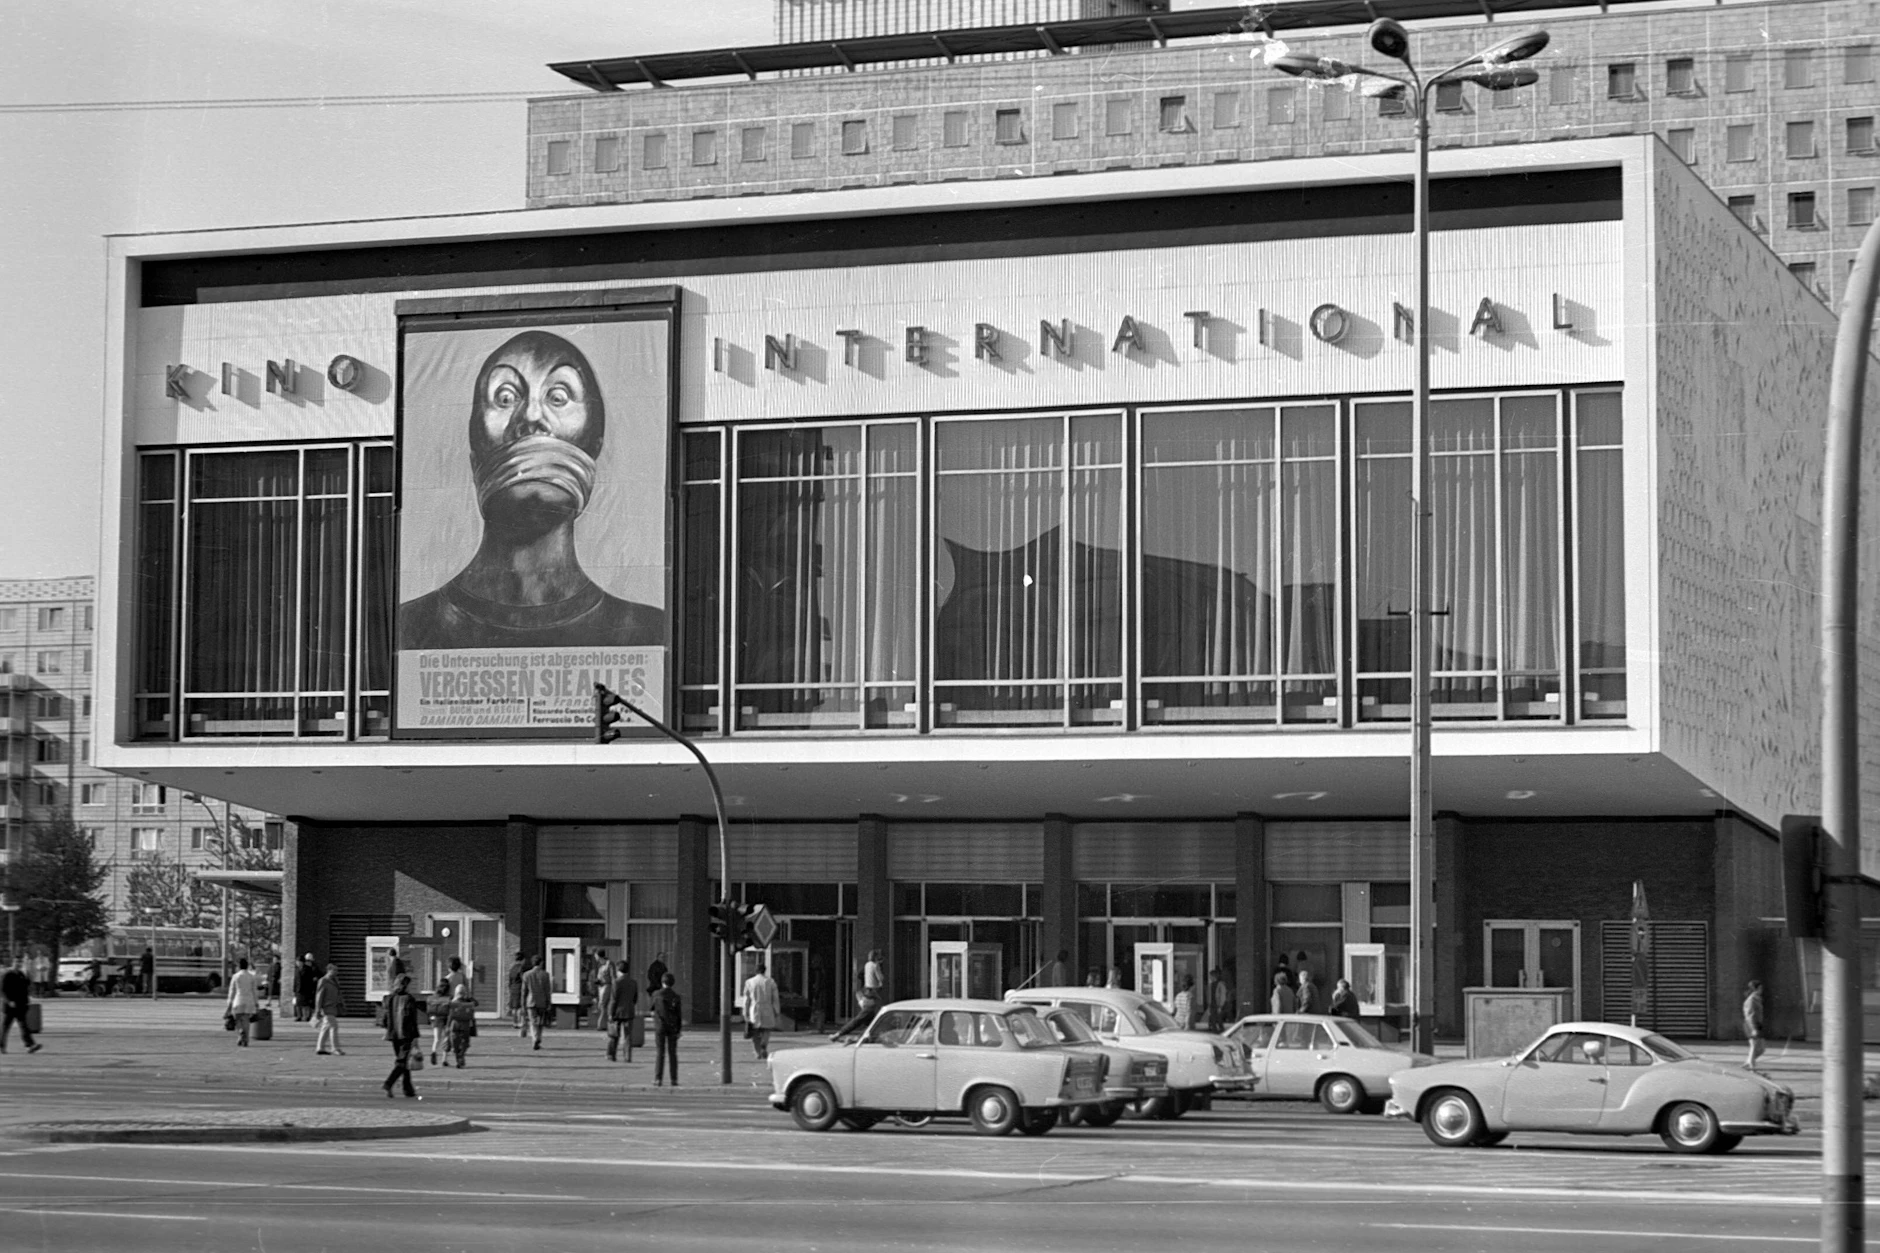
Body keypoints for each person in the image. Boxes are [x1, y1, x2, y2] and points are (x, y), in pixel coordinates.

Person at [397, 330, 665, 651]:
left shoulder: (644, 633)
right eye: (505, 398)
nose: (532, 418)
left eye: (558, 397)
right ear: (475, 456)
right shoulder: (411, 628)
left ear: (594, 447)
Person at [379, 973, 422, 1099]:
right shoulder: (409, 999)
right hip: (406, 1035)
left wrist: (388, 1029)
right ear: (405, 985)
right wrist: (415, 1037)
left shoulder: (390, 998)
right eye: (409, 985)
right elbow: (412, 1020)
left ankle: (408, 1089)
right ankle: (388, 1083)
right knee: (402, 1062)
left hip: (394, 1035)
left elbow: (385, 1019)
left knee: (404, 1061)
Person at [742, 959, 781, 1062]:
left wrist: (745, 1011)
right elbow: (775, 998)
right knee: (766, 1030)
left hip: (754, 1008)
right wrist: (777, 1010)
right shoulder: (770, 981)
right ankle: (764, 1044)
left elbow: (746, 998)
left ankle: (758, 1051)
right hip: (767, 1008)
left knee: (755, 1031)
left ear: (756, 971)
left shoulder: (749, 982)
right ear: (764, 971)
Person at [2, 955, 42, 1053]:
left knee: (24, 1025)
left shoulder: (21, 974)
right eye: (16, 962)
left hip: (21, 1004)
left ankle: (30, 1045)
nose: (18, 964)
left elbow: (28, 985)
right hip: (10, 1005)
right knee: (5, 1026)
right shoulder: (8, 974)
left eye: (20, 963)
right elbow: (2, 990)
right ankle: (2, 1046)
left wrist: (28, 970)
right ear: (13, 963)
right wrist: (9, 1001)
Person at [651, 972, 683, 1087]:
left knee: (660, 1052)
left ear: (662, 982)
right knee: (673, 1053)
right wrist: (679, 1029)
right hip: (672, 1026)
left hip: (660, 1026)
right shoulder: (676, 996)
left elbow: (652, 1008)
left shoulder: (656, 994)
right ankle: (674, 1079)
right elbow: (679, 1015)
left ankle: (658, 1078)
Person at [607, 959, 640, 1063]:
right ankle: (627, 1056)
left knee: (614, 1034)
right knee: (628, 1036)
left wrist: (610, 1013)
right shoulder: (633, 982)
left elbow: (613, 999)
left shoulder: (616, 982)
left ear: (618, 970)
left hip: (617, 1011)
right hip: (629, 1011)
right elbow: (635, 998)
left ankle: (611, 1055)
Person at [225, 957, 260, 1047]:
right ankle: (246, 1040)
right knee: (246, 1020)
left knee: (237, 1019)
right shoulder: (251, 976)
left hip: (238, 1000)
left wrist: (229, 1002)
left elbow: (232, 991)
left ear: (239, 966)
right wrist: (256, 1003)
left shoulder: (236, 976)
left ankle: (240, 1032)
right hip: (249, 1001)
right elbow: (254, 991)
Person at [522, 954, 553, 1050]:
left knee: (533, 1021)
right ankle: (538, 1038)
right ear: (541, 963)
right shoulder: (545, 974)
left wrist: (522, 1003)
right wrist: (548, 1002)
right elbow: (547, 990)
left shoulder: (526, 974)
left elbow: (524, 991)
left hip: (530, 1001)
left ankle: (534, 1038)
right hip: (542, 1001)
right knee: (540, 1022)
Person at [314, 962, 346, 1055]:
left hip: (333, 1007)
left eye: (337, 970)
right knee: (333, 1027)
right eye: (334, 970)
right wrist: (318, 1009)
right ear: (329, 970)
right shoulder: (323, 981)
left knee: (326, 1028)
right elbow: (319, 996)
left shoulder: (335, 981)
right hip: (326, 1007)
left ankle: (320, 1047)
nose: (336, 972)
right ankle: (335, 1048)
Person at [446, 984, 478, 1068]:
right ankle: (461, 1055)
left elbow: (450, 1015)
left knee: (455, 1042)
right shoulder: (468, 1002)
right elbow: (476, 1003)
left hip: (454, 1025)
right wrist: (469, 996)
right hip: (465, 1025)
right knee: (465, 1042)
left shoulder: (453, 1003)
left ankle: (458, 1058)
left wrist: (447, 1026)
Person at [426, 978, 453, 1067]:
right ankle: (444, 1060)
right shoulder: (449, 998)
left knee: (437, 1039)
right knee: (446, 1039)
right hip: (446, 1019)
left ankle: (434, 1051)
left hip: (436, 1019)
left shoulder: (432, 997)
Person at [1743, 979, 1766, 1071]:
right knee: (1754, 1046)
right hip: (1751, 1024)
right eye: (1760, 988)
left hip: (1757, 1024)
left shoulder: (1757, 998)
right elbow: (1750, 1015)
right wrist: (1753, 1028)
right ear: (1756, 988)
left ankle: (1748, 1063)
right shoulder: (1752, 999)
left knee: (1761, 1048)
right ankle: (1751, 1066)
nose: (1762, 990)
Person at [294, 953, 320, 1023]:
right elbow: (295, 980)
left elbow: (310, 980)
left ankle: (307, 1016)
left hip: (306, 989)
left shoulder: (308, 969)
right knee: (298, 1003)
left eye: (299, 962)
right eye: (297, 962)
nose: (297, 963)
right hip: (298, 989)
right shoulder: (296, 970)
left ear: (302, 962)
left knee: (306, 1004)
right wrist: (294, 989)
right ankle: (299, 1016)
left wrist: (311, 989)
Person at [506, 950, 528, 1033]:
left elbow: (510, 980)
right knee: (519, 1007)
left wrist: (510, 988)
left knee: (514, 1007)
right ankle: (519, 1022)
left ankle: (514, 1022)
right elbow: (523, 979)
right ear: (523, 960)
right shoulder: (521, 968)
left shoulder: (512, 968)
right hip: (519, 988)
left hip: (513, 988)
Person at [592, 956, 616, 1032]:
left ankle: (602, 1024)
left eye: (598, 959)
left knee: (602, 1005)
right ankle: (603, 1023)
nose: (598, 961)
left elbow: (612, 977)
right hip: (602, 986)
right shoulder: (602, 966)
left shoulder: (609, 964)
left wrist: (614, 986)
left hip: (606, 986)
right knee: (602, 1005)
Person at [1207, 966, 1231, 1033]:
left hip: (1218, 1005)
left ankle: (1221, 1031)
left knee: (1219, 1020)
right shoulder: (1210, 985)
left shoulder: (1220, 985)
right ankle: (1215, 1031)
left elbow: (1223, 995)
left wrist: (1220, 1006)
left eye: (1210, 976)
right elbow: (1209, 996)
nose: (1210, 978)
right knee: (1213, 1020)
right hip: (1212, 1005)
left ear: (1213, 976)